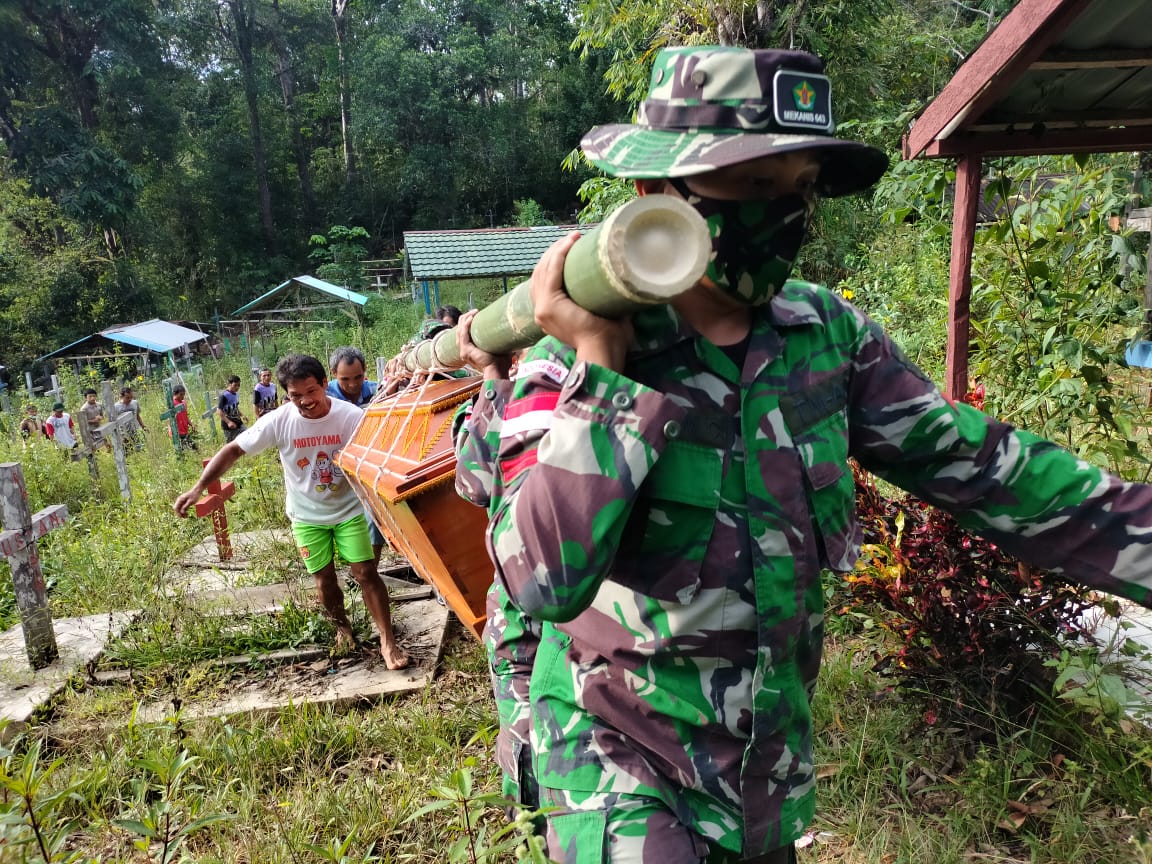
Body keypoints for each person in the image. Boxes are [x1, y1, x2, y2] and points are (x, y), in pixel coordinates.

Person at [453, 46, 1152, 864]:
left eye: (801, 186)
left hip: (761, 772)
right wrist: (602, 375)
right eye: (752, 186)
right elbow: (539, 579)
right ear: (654, 197)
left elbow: (995, 471)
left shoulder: (826, 339)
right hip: (613, 756)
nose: (781, 213)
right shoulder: (564, 364)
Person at [174, 354, 409, 670]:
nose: (306, 401)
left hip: (349, 510)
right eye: (296, 395)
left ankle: (387, 640)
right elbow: (233, 449)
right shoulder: (280, 420)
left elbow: (382, 452)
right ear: (286, 394)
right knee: (324, 580)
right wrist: (198, 488)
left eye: (312, 391)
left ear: (325, 384)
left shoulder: (350, 417)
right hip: (306, 517)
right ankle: (343, 628)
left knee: (366, 572)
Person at [326, 347, 389, 568]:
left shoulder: (379, 392)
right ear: (333, 373)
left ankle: (367, 571)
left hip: (368, 464)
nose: (353, 384)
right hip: (334, 466)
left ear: (365, 371)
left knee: (373, 516)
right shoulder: (326, 398)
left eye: (358, 377)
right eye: (345, 379)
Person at [216, 375, 247, 443]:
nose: (237, 387)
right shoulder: (224, 395)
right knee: (231, 444)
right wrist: (229, 422)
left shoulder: (236, 394)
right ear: (229, 384)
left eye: (239, 385)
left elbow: (235, 408)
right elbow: (219, 411)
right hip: (228, 426)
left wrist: (242, 415)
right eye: (235, 385)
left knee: (246, 435)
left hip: (238, 422)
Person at [170, 385, 198, 451]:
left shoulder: (184, 403)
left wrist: (192, 425)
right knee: (183, 450)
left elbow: (185, 416)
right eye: (181, 394)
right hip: (177, 432)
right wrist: (170, 431)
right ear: (175, 394)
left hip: (185, 430)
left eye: (184, 394)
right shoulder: (172, 404)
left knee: (194, 447)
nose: (182, 396)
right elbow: (169, 420)